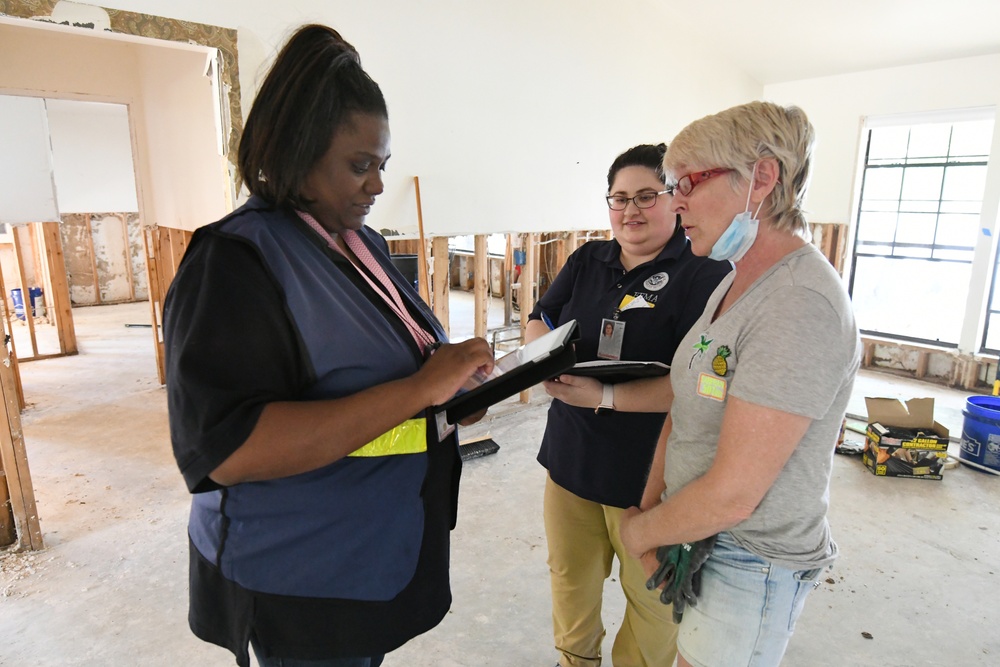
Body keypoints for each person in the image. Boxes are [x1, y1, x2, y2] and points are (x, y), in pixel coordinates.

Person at [163, 25, 494, 667]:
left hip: (370, 550)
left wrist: (452, 396)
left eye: (382, 165)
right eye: (359, 165)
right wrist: (421, 390)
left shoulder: (353, 241)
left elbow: (396, 369)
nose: (375, 185)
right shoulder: (234, 261)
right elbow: (227, 448)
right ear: (298, 152)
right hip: (300, 572)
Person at [608, 102, 862, 666]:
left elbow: (733, 493)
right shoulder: (733, 282)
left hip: (751, 561)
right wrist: (649, 511)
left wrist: (640, 533)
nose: (674, 202)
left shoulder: (799, 304)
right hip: (699, 538)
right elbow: (687, 403)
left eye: (687, 183)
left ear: (762, 179)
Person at [525, 144, 731, 667]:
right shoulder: (587, 259)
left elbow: (699, 382)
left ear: (674, 199)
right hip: (570, 457)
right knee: (571, 580)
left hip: (649, 474)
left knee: (652, 602)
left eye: (646, 196)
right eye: (619, 198)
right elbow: (540, 318)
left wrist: (607, 396)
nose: (630, 210)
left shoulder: (703, 274)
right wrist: (541, 358)